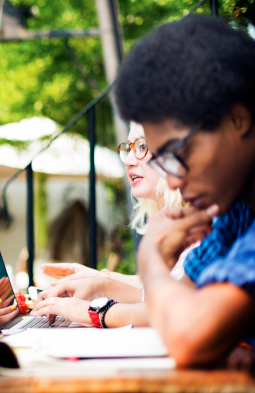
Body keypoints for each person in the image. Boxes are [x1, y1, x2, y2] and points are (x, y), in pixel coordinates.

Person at [114, 15, 255, 368]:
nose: (173, 180)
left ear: (238, 119)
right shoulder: (237, 212)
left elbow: (190, 334)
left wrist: (150, 258)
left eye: (179, 154)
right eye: (162, 161)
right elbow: (187, 296)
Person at [30, 123, 191, 327]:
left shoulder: (212, 223)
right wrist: (102, 279)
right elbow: (163, 286)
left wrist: (97, 302)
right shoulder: (176, 223)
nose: (129, 161)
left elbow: (178, 306)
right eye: (129, 148)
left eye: (142, 146)